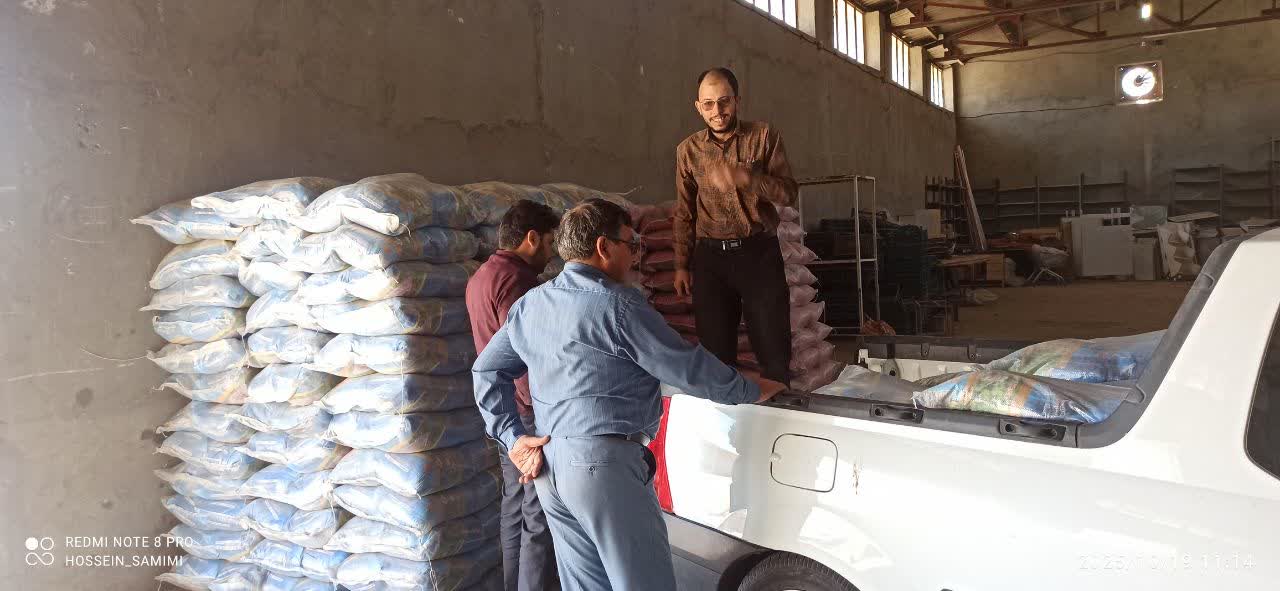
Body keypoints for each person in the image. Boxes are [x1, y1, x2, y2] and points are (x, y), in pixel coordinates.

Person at [472, 199, 787, 591]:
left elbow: (486, 371)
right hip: (604, 470)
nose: (635, 256)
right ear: (604, 247)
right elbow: (685, 366)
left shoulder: (530, 306)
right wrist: (751, 389)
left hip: (550, 470)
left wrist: (512, 438)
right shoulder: (618, 305)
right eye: (630, 244)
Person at [673, 66, 799, 385]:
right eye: (708, 104)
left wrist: (747, 178)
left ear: (737, 100)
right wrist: (681, 265)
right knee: (715, 356)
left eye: (724, 101)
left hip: (758, 254)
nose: (717, 111)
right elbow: (685, 212)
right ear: (698, 107)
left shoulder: (764, 136)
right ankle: (727, 415)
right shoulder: (688, 151)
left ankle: (780, 409)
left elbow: (788, 193)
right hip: (711, 260)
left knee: (774, 350)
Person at [465, 199, 562, 591]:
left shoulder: (482, 276)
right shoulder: (518, 281)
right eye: (550, 243)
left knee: (515, 506)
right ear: (532, 238)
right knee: (538, 513)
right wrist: (539, 412)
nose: (551, 254)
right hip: (528, 413)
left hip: (503, 412)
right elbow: (521, 350)